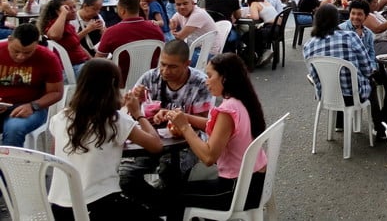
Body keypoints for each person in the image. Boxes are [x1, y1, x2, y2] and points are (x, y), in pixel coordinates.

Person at [48, 59, 162, 221]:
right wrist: (138, 113)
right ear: (113, 86)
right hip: (101, 204)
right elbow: (156, 145)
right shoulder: (114, 120)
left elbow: (55, 153)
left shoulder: (60, 118)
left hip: (60, 208)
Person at [165, 53, 268, 219]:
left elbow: (208, 157)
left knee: (173, 197)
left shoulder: (227, 110)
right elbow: (216, 127)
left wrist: (184, 127)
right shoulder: (243, 100)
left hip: (236, 191)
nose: (206, 81)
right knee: (179, 188)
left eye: (210, 76)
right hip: (255, 183)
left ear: (225, 78)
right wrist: (186, 117)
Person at [120, 40, 213, 206]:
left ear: (187, 64)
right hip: (151, 141)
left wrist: (177, 118)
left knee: (169, 169)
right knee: (126, 176)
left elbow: (204, 125)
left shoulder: (200, 83)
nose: (165, 71)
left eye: (173, 66)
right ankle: (162, 206)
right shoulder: (150, 78)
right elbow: (127, 115)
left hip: (186, 145)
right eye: (162, 64)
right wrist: (137, 102)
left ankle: (168, 206)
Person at [303, 4, 379, 132]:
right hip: (353, 95)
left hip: (327, 95)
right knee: (371, 82)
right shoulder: (350, 37)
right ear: (336, 19)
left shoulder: (308, 46)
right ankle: (379, 128)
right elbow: (367, 69)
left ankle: (340, 123)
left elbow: (314, 75)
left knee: (337, 80)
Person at [0, 23, 64, 146]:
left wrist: (33, 106)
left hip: (33, 107)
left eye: (28, 52)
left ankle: (10, 165)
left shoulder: (48, 58)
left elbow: (56, 92)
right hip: (2, 103)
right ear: (9, 40)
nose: (20, 56)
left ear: (36, 45)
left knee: (14, 129)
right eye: (16, 51)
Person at [95, 0, 165, 57]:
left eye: (117, 8)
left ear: (122, 11)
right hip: (151, 70)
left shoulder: (111, 32)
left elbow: (99, 59)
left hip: (121, 71)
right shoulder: (155, 28)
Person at [40, 0, 92, 76]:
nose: (74, 10)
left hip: (81, 63)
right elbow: (54, 35)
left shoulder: (69, 25)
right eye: (68, 8)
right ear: (58, 12)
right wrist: (63, 13)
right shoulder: (55, 24)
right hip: (70, 68)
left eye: (74, 7)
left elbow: (79, 46)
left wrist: (92, 60)